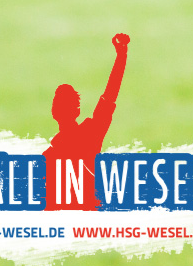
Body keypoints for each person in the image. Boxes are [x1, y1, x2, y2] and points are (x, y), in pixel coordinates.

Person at [44, 33, 129, 210]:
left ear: (54, 112)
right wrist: (121, 56)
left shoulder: (88, 135)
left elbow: (110, 95)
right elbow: (109, 95)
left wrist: (121, 57)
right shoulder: (90, 134)